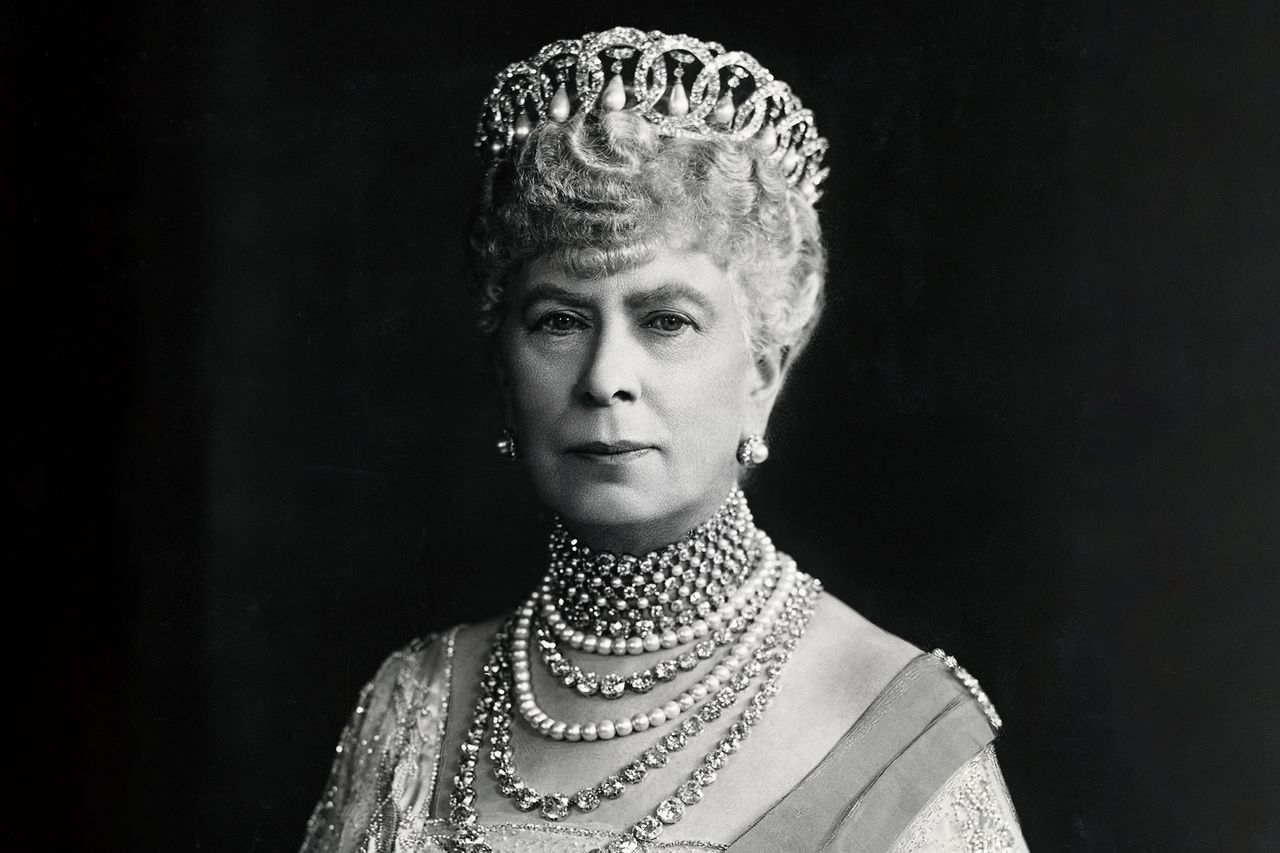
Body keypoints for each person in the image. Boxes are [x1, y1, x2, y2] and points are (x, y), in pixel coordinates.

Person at [299, 27, 1029, 853]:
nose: (605, 376)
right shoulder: (413, 702)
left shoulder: (895, 729)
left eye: (666, 321)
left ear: (762, 375)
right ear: (503, 368)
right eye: (560, 320)